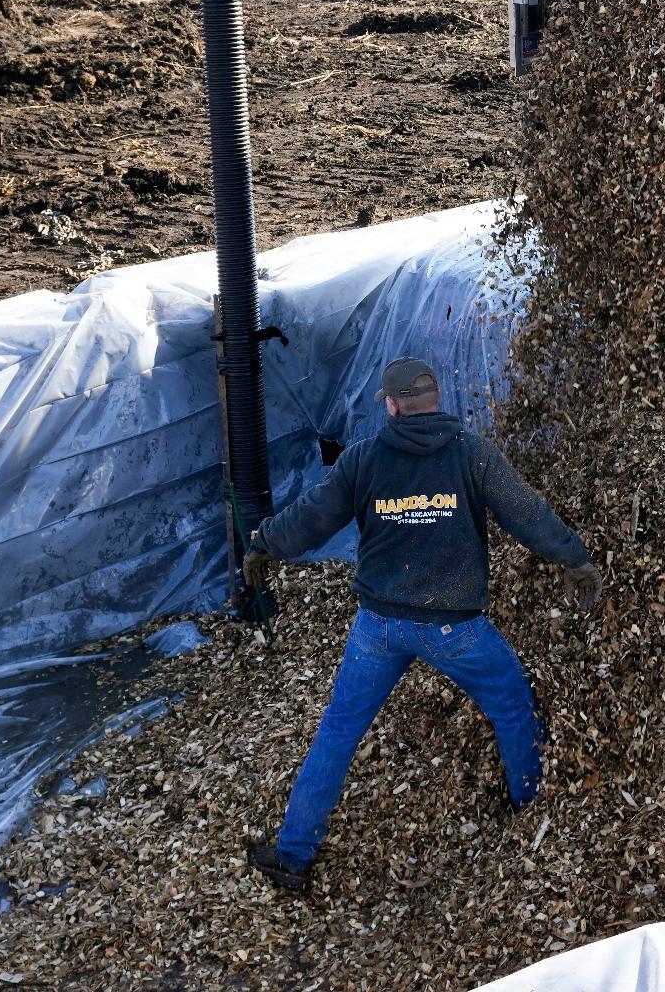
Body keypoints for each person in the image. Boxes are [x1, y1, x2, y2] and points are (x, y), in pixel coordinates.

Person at [240, 355, 602, 893]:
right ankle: (533, 815)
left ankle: (293, 856)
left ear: (391, 405)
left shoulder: (363, 460)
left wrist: (264, 544)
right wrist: (575, 558)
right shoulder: (472, 454)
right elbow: (525, 512)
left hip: (378, 626)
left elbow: (312, 517)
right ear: (437, 398)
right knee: (513, 706)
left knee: (338, 732)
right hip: (456, 630)